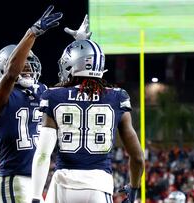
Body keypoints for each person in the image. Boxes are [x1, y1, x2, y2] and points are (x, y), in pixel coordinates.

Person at [30, 39, 145, 203]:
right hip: (97, 186)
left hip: (62, 186)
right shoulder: (117, 97)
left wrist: (35, 196)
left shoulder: (53, 96)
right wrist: (133, 189)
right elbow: (138, 157)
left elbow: (43, 154)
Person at [0, 5, 62, 203]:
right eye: (22, 65)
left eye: (29, 66)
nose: (27, 70)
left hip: (36, 182)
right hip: (13, 179)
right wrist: (31, 33)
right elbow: (11, 74)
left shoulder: (41, 90)